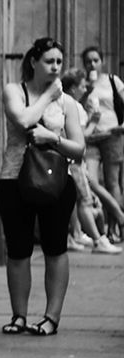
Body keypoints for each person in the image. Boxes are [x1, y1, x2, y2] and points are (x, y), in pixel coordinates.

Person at [0, 38, 85, 336]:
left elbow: (79, 149)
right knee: (18, 250)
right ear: (33, 61)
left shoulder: (68, 102)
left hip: (56, 183)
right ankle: (18, 316)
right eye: (50, 61)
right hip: (14, 179)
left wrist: (53, 139)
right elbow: (22, 120)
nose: (56, 67)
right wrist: (48, 95)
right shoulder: (14, 90)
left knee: (55, 248)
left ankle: (51, 317)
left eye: (59, 62)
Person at [61, 68, 122, 254]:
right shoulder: (74, 106)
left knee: (77, 199)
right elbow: (80, 138)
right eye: (81, 85)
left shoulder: (69, 104)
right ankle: (98, 240)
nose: (85, 88)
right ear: (72, 88)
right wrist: (94, 122)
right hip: (75, 161)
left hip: (71, 160)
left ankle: (75, 234)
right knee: (85, 199)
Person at [80, 46, 124, 243]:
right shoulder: (83, 84)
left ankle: (114, 229)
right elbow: (75, 106)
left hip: (112, 134)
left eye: (96, 60)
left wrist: (122, 126)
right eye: (88, 61)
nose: (92, 64)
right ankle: (120, 216)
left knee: (113, 182)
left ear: (102, 61)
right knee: (90, 179)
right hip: (90, 137)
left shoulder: (113, 81)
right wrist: (85, 92)